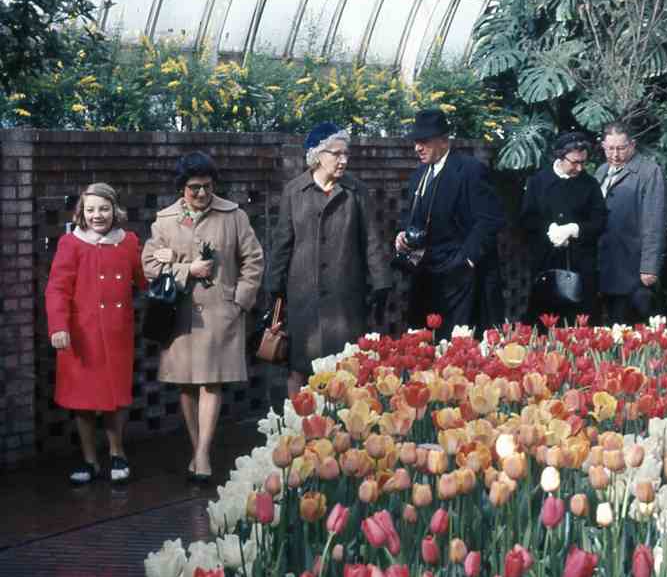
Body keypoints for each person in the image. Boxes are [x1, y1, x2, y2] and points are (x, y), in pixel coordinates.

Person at [142, 152, 264, 484]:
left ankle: (203, 455)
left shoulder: (233, 215)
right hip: (179, 315)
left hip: (220, 313)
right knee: (186, 384)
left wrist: (240, 301)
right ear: (182, 187)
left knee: (211, 382)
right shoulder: (164, 220)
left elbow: (253, 259)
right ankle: (198, 450)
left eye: (207, 187)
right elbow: (149, 266)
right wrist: (185, 269)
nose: (201, 194)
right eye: (194, 187)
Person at [268, 122, 392, 397]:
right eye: (336, 153)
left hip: (345, 297)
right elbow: (282, 243)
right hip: (303, 297)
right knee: (298, 366)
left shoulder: (356, 191)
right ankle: (298, 430)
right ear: (317, 155)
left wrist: (381, 284)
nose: (343, 160)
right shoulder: (294, 191)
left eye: (346, 153)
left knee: (346, 368)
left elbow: (372, 240)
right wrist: (273, 288)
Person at [45, 183, 145, 484]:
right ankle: (89, 460)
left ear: (115, 210)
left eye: (103, 208)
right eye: (90, 210)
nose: (97, 215)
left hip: (116, 333)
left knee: (116, 398)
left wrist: (166, 264)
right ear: (82, 212)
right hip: (82, 335)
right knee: (83, 401)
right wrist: (59, 326)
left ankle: (117, 453)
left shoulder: (128, 242)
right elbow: (57, 289)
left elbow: (144, 279)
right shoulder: (70, 243)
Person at [395, 108, 505, 339]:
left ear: (444, 141)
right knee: (425, 344)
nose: (417, 148)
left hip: (461, 276)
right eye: (416, 141)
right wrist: (402, 236)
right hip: (427, 274)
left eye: (424, 141)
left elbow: (490, 219)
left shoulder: (471, 170)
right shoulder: (419, 175)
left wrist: (466, 260)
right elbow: (411, 218)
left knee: (459, 347)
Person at [520, 131, 607, 326]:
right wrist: (548, 229)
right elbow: (526, 219)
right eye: (574, 162)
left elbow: (600, 221)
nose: (579, 167)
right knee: (544, 322)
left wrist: (574, 229)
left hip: (580, 266)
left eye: (583, 162)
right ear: (560, 156)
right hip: (545, 264)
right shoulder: (538, 182)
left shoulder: (590, 184)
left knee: (580, 324)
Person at [594, 122, 667, 325]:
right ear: (603, 146)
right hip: (606, 264)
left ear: (632, 145)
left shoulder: (649, 171)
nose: (615, 154)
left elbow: (655, 221)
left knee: (634, 328)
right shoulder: (601, 171)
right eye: (610, 148)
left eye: (621, 148)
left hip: (634, 268)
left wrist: (650, 267)